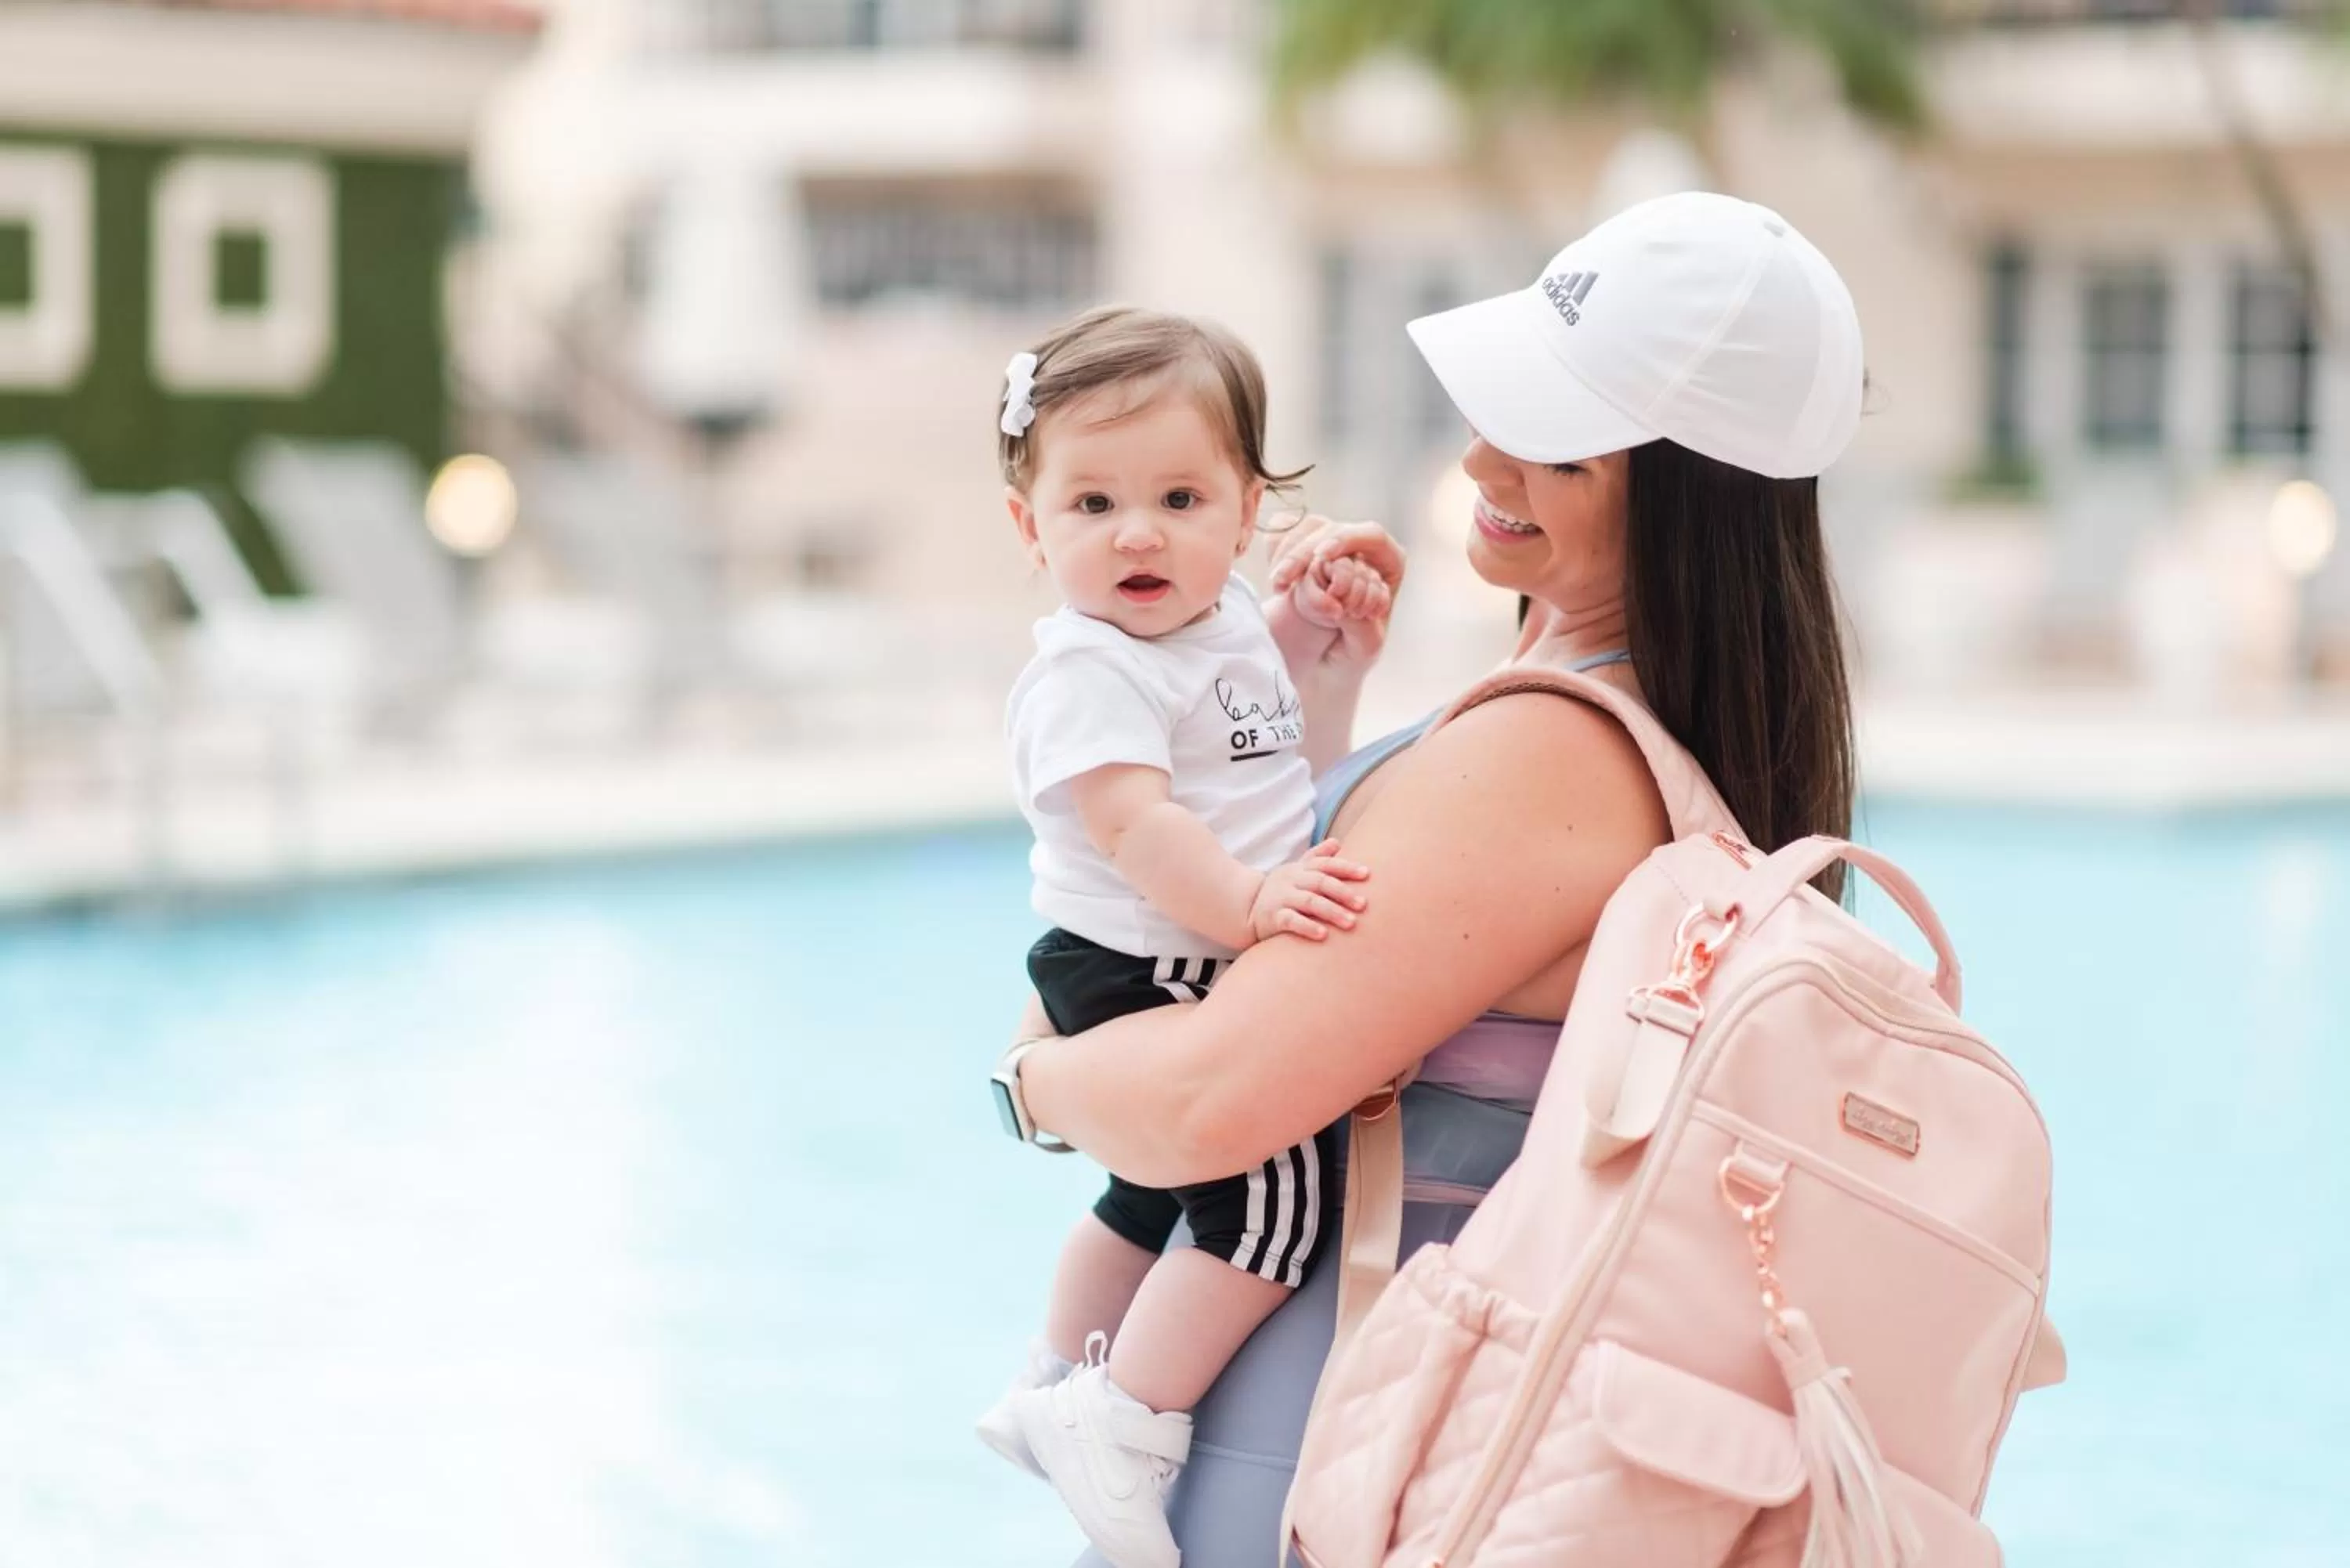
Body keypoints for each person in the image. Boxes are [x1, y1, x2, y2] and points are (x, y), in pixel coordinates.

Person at [986, 190, 1867, 1566]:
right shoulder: (1599, 711)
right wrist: (1313, 695)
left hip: (1315, 1466)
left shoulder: (1553, 755)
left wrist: (1031, 1075)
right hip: (1350, 1453)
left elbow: (1208, 1103)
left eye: (1557, 449)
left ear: (1691, 497)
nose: (1483, 459)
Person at [977, 305, 1401, 1568]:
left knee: (1146, 1192)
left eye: (1178, 497)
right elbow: (1139, 826)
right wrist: (1254, 906)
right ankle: (1126, 1416)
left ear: (1247, 510)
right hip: (1148, 952)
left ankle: (1055, 1374)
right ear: (1030, 528)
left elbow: (1261, 741)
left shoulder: (1218, 629)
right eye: (1092, 504)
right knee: (1274, 1204)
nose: (1138, 532)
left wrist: (1314, 633)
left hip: (1162, 946)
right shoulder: (1089, 671)